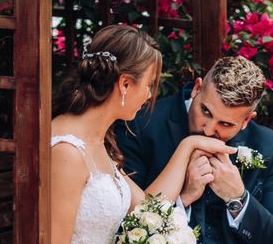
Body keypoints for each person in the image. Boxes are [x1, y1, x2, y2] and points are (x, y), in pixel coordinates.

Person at [51, 25, 236, 244]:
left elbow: (148, 209)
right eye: (148, 85)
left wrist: (189, 145)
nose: (149, 95)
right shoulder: (67, 152)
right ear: (125, 83)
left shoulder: (96, 140)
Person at [115, 56, 273, 244]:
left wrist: (237, 199)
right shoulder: (141, 126)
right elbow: (120, 224)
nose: (208, 130)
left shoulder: (266, 143)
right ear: (197, 89)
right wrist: (182, 199)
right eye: (205, 111)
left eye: (225, 124)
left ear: (246, 121)